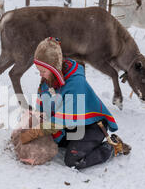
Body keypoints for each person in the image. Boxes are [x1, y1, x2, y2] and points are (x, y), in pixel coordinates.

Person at [20, 37, 131, 169]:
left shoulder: (76, 83)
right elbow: (41, 112)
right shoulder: (47, 82)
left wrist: (33, 134)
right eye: (39, 71)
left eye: (43, 71)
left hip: (93, 125)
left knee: (73, 159)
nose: (40, 75)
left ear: (54, 68)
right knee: (53, 140)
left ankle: (112, 147)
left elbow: (60, 122)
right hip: (72, 126)